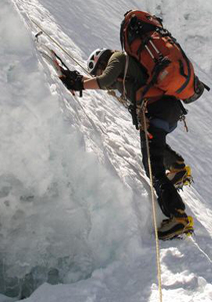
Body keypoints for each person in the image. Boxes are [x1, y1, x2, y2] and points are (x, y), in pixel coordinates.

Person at [60, 48, 194, 239]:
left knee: (153, 168)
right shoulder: (125, 69)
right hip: (164, 111)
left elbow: (105, 80)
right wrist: (77, 79)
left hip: (158, 111)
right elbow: (107, 84)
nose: (98, 75)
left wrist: (80, 84)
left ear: (101, 61)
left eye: (97, 70)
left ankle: (177, 217)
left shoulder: (118, 58)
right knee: (152, 148)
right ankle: (177, 167)